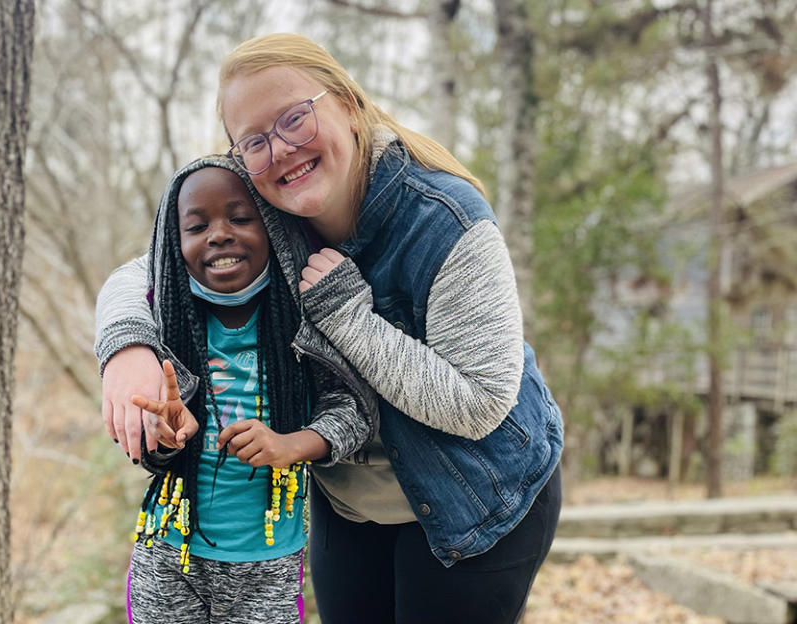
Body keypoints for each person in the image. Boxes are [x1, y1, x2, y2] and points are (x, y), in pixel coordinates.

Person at [96, 33, 563, 624]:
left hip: (474, 501)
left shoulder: (447, 222)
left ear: (346, 100)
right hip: (352, 504)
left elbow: (480, 404)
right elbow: (148, 270)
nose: (282, 151)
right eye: (255, 141)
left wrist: (349, 318)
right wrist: (126, 349)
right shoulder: (275, 215)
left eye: (295, 118)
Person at [119, 156, 376, 624]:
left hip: (268, 566)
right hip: (167, 555)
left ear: (273, 229)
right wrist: (162, 437)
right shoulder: (168, 324)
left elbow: (353, 410)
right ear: (175, 244)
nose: (219, 233)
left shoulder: (301, 321)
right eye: (197, 226)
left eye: (240, 218)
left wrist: (290, 445)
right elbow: (150, 455)